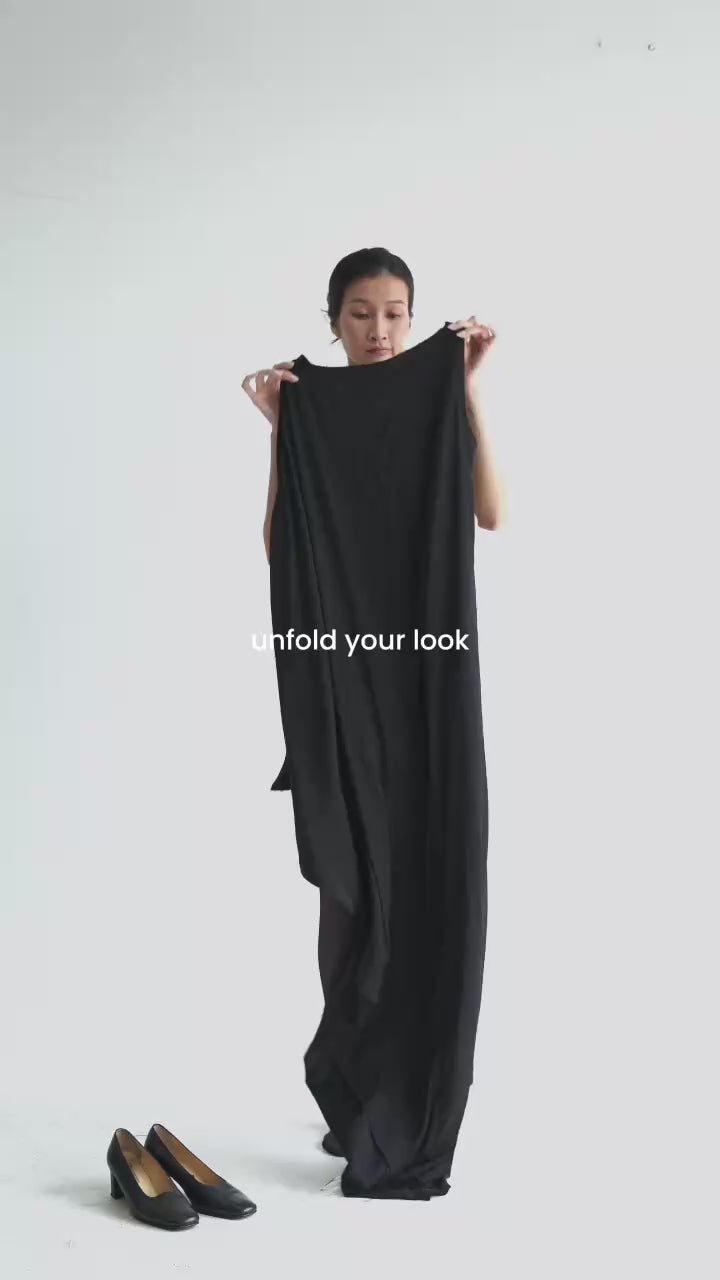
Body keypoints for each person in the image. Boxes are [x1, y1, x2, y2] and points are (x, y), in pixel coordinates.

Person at [241, 246, 507, 1163]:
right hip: (342, 685)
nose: (381, 330)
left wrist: (466, 391)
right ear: (333, 322)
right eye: (361, 313)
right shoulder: (309, 411)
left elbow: (492, 514)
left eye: (395, 313)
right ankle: (358, 1086)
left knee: (435, 862)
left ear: (412, 318)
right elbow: (281, 548)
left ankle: (416, 1091)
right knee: (353, 879)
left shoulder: (437, 396)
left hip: (431, 678)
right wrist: (281, 433)